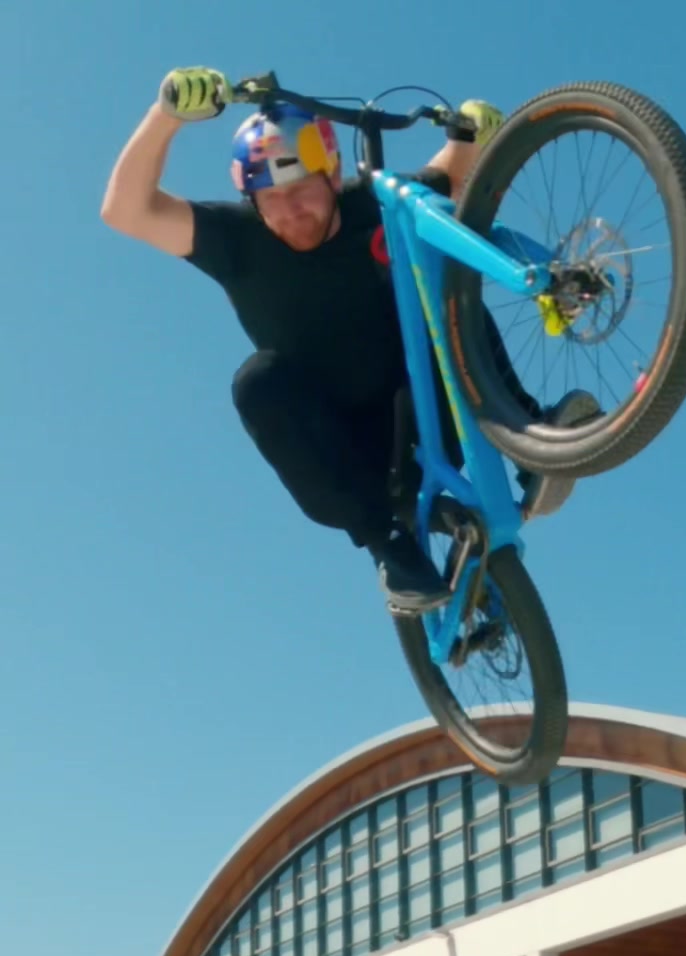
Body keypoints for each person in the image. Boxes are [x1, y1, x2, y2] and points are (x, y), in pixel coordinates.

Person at [101, 70, 554, 615]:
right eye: (271, 199)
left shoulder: (375, 204)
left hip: (430, 409)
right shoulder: (235, 240)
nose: (291, 211)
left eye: (302, 191)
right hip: (348, 455)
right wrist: (167, 115)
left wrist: (470, 132)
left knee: (444, 293)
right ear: (251, 200)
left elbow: (450, 174)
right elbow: (125, 210)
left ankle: (532, 438)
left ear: (333, 177)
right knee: (257, 381)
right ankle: (389, 547)